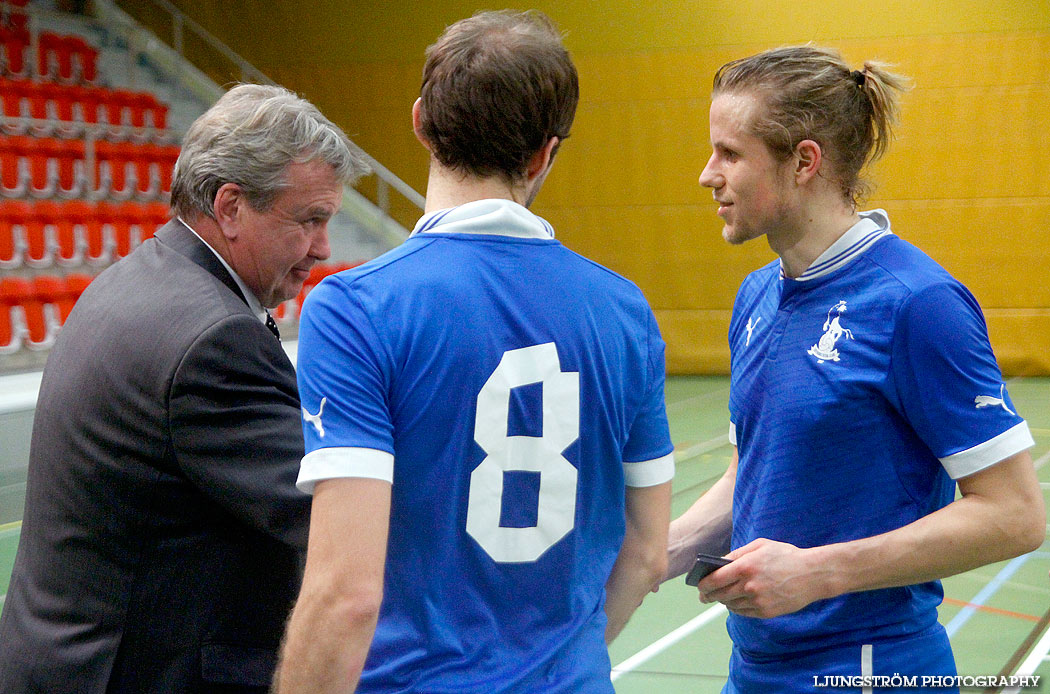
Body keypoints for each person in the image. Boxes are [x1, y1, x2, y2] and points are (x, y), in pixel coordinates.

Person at [274, 10, 674, 694]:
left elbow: (345, 594)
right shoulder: (624, 310)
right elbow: (645, 553)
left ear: (421, 121)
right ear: (546, 153)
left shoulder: (356, 308)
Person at [666, 45, 1045, 692]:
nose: (707, 175)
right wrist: (652, 553)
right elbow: (752, 471)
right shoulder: (757, 295)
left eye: (730, 154)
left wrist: (818, 572)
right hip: (753, 669)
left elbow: (1015, 515)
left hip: (867, 671)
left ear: (803, 162)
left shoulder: (916, 303)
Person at [0, 83, 367, 693]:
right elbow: (333, 519)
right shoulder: (215, 339)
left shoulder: (135, 283)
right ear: (230, 207)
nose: (323, 249)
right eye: (309, 220)